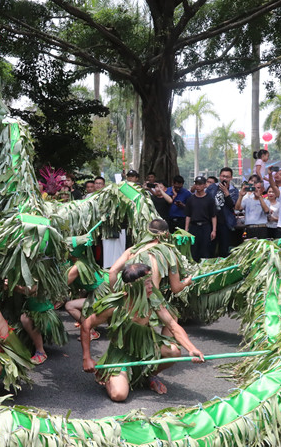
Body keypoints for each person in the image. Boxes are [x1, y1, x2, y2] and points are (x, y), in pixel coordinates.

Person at [81, 260, 203, 402]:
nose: (151, 286)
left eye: (151, 281)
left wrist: (191, 348)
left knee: (174, 351)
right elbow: (86, 325)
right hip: (121, 352)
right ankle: (107, 374)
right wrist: (86, 358)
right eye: (146, 284)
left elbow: (172, 325)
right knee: (118, 395)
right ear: (132, 286)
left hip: (147, 345)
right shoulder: (115, 304)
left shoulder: (152, 298)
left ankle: (149, 375)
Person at [205, 167, 239, 257]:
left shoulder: (234, 191)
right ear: (220, 176)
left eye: (227, 177)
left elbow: (233, 205)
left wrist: (226, 192)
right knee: (210, 248)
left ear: (231, 178)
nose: (225, 178)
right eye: (223, 176)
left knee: (224, 249)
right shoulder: (212, 188)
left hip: (226, 222)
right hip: (211, 222)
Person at [184, 176, 216, 261]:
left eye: (200, 184)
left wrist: (214, 230)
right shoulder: (191, 199)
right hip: (194, 227)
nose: (198, 186)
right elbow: (188, 215)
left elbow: (213, 216)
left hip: (205, 226)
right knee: (193, 249)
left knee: (205, 249)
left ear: (205, 185)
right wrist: (186, 229)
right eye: (196, 184)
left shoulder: (210, 199)